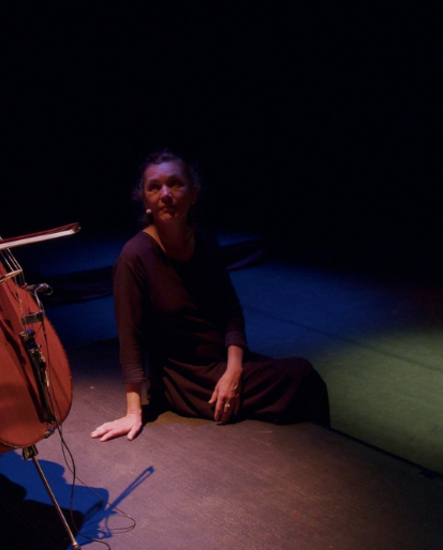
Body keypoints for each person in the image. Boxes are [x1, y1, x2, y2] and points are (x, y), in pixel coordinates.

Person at [91, 151, 330, 443]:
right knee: (303, 377)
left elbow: (231, 313)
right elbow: (130, 341)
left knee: (302, 383)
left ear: (193, 193)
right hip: (187, 381)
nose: (165, 194)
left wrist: (234, 370)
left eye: (175, 184)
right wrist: (133, 411)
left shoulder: (204, 240)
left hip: (222, 365)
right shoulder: (134, 257)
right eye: (154, 187)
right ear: (145, 200)